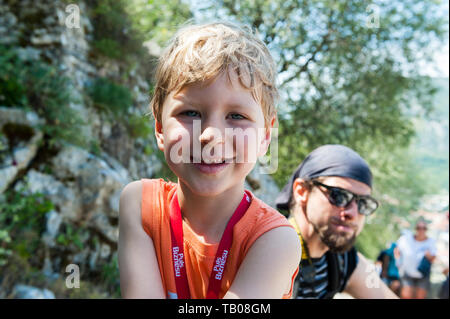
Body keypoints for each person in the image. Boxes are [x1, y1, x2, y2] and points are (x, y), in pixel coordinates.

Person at [118, 22, 301, 299]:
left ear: (265, 136)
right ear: (159, 129)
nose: (211, 136)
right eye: (190, 113)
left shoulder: (274, 240)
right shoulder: (141, 206)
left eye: (236, 116)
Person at [275, 144, 398, 299]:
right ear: (302, 191)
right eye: (339, 195)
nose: (352, 213)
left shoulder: (343, 261)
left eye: (363, 203)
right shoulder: (269, 252)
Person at [396, 218, 437, 299]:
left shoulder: (431, 242)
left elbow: (433, 259)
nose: (421, 230)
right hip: (407, 272)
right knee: (406, 296)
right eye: (419, 228)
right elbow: (397, 251)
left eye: (424, 228)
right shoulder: (406, 238)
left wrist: (428, 255)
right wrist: (398, 263)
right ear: (415, 229)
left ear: (426, 230)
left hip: (423, 274)